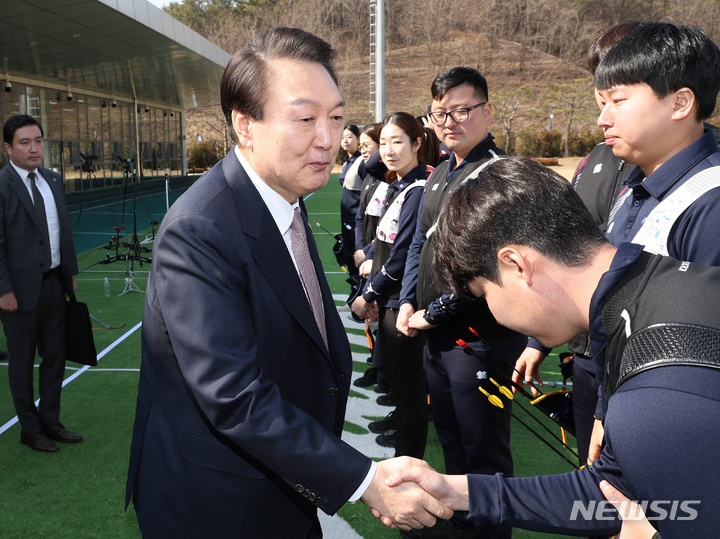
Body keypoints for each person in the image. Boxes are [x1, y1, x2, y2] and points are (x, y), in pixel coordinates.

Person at [124, 28, 451, 539]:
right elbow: (234, 396)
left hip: (282, 490)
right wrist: (365, 480)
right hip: (218, 507)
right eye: (304, 119)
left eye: (336, 118)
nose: (327, 138)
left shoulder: (283, 202)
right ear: (245, 125)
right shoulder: (201, 229)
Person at [383, 157, 720, 538]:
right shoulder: (646, 294)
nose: (493, 309)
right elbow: (609, 491)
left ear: (516, 265)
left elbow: (680, 516)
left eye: (484, 293)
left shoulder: (654, 389)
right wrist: (461, 492)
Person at [515, 21, 720, 464]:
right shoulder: (635, 187)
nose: (602, 118)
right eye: (601, 103)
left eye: (618, 102)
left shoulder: (710, 202)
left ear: (681, 102)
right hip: (619, 396)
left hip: (670, 427)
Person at [396, 67, 527, 539]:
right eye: (438, 113)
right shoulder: (441, 172)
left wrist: (434, 313)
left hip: (482, 338)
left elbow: (487, 265)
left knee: (484, 451)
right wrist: (409, 302)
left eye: (460, 110)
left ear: (487, 111)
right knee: (451, 440)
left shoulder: (499, 175)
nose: (448, 121)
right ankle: (461, 526)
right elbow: (418, 246)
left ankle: (490, 532)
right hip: (438, 336)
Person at [0, 114, 80, 453]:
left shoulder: (52, 179)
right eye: (25, 142)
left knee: (55, 356)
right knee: (21, 363)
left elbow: (63, 230)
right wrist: (3, 290)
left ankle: (51, 421)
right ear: (8, 148)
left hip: (53, 284)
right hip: (18, 292)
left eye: (38, 141)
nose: (34, 148)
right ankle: (29, 430)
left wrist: (69, 274)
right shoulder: (2, 185)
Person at [352, 112, 429, 457]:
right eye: (383, 142)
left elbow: (401, 255)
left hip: (402, 300)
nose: (388, 150)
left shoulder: (417, 188)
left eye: (397, 141)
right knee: (401, 380)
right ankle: (401, 426)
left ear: (417, 143)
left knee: (411, 386)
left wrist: (368, 294)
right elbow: (385, 241)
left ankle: (407, 454)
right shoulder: (397, 183)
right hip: (389, 296)